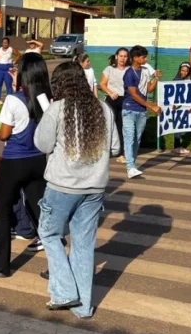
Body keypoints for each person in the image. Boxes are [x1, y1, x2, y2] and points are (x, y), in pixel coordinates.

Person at [36, 61, 121, 318]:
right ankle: (83, 307)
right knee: (84, 245)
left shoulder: (57, 109)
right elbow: (115, 148)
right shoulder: (103, 108)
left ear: (58, 85)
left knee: (49, 234)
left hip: (62, 185)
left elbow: (42, 144)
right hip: (94, 188)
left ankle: (64, 292)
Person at [0, 53, 51, 278]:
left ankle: (1, 264)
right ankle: (56, 263)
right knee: (41, 211)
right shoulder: (46, 99)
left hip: (14, 161)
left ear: (23, 73)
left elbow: (4, 134)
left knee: (2, 211)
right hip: (38, 160)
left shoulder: (13, 100)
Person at [122, 45, 160, 179]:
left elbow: (148, 89)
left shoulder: (145, 71)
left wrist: (156, 78)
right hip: (129, 109)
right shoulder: (129, 73)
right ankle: (130, 167)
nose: (146, 59)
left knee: (137, 139)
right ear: (135, 58)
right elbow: (134, 94)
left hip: (141, 111)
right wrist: (151, 106)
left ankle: (132, 164)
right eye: (143, 57)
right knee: (129, 137)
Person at [99, 48, 130, 165]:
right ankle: (105, 150)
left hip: (124, 100)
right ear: (116, 56)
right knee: (109, 125)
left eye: (125, 56)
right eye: (121, 56)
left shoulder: (129, 70)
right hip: (111, 100)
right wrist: (110, 92)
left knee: (122, 126)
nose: (123, 58)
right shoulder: (109, 69)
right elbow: (102, 84)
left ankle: (121, 152)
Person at [171, 63, 191, 156]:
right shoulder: (176, 80)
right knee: (178, 127)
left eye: (186, 71)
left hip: (185, 106)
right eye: (182, 70)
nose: (184, 72)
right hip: (177, 107)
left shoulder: (189, 80)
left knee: (182, 126)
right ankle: (177, 147)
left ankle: (178, 146)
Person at [0, 36, 17, 103]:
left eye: (6, 43)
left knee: (8, 84)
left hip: (8, 68)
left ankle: (10, 99)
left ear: (8, 43)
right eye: (3, 43)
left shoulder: (11, 49)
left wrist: (15, 62)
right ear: (2, 43)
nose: (4, 44)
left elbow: (19, 55)